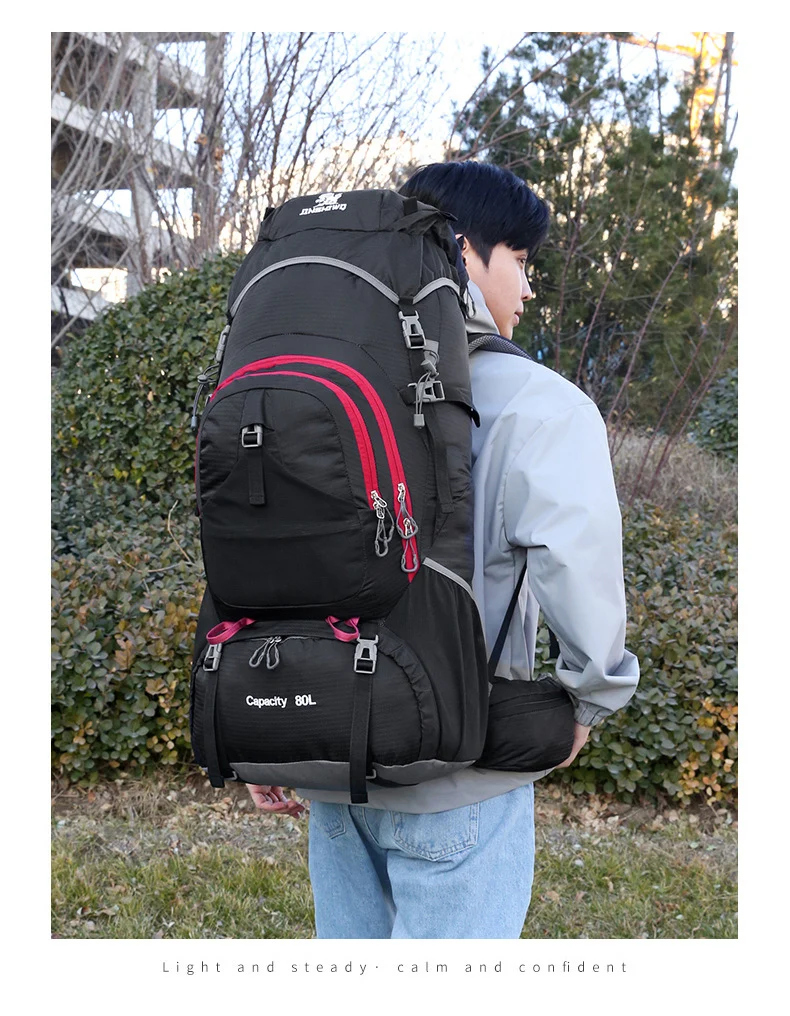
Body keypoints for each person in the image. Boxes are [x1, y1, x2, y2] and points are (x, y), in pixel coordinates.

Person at [246, 161, 640, 939]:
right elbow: (577, 564)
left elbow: (268, 554)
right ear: (462, 251)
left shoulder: (312, 386)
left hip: (336, 764)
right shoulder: (540, 405)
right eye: (520, 260)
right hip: (464, 775)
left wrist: (275, 740)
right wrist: (589, 701)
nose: (528, 289)